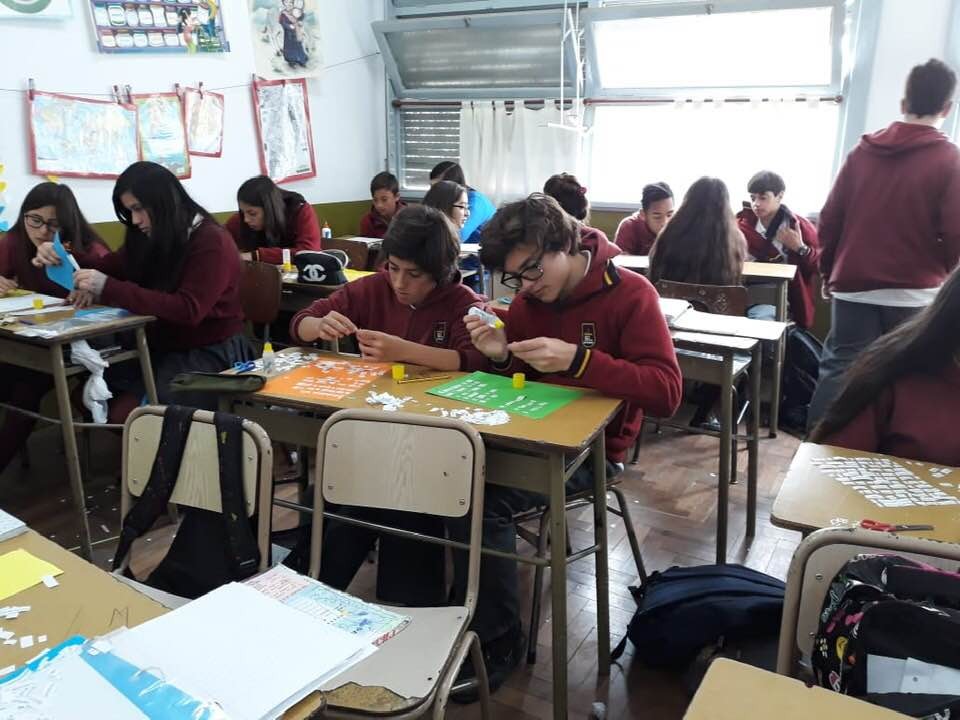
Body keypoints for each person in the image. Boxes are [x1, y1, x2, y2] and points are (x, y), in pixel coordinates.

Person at [453, 193, 683, 696]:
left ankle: (499, 640)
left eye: (533, 270)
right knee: (442, 473)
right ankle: (454, 611)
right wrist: (499, 356)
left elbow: (667, 393)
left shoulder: (631, 293)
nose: (526, 287)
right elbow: (523, 379)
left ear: (566, 243)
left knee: (478, 501)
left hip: (595, 453)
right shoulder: (528, 301)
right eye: (515, 278)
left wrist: (580, 361)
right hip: (528, 437)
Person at [289, 204, 487, 605]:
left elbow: (474, 361)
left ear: (441, 271)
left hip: (435, 441)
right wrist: (318, 326)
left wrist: (404, 351)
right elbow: (302, 321)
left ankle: (319, 588)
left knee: (389, 493)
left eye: (414, 274)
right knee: (354, 490)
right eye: (393, 268)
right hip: (375, 431)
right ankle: (313, 589)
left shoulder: (461, 302)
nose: (399, 283)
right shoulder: (372, 289)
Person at [34, 161, 252, 419]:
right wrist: (60, 255)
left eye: (138, 209)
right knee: (89, 393)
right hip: (161, 346)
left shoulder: (211, 240)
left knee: (135, 415)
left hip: (208, 352)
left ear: (164, 202)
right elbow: (108, 266)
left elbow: (188, 309)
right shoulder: (150, 235)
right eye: (129, 211)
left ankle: (160, 442)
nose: (135, 220)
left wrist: (106, 286)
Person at [809, 58, 960, 428]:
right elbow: (956, 232)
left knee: (839, 370)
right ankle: (890, 451)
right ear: (947, 108)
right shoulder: (949, 160)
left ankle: (815, 450)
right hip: (916, 292)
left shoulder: (862, 153)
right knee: (908, 375)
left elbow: (830, 219)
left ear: (903, 103)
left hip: (853, 285)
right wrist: (943, 273)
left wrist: (828, 272)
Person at [0, 182, 108, 475]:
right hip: (28, 340)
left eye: (53, 224)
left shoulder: (88, 249)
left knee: (24, 392)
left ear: (68, 225)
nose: (42, 231)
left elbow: (112, 286)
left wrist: (92, 287)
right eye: (34, 220)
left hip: (76, 346)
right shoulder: (14, 241)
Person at [810, 267, 960, 467]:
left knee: (839, 366)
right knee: (848, 368)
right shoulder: (897, 380)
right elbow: (834, 467)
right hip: (902, 289)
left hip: (859, 283)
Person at [736, 170, 821, 327]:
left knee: (762, 321)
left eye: (763, 198)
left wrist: (800, 248)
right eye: (753, 198)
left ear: (780, 196)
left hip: (781, 295)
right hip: (743, 290)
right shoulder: (741, 225)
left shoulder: (799, 226)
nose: (756, 204)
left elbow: (820, 265)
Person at [649, 177, 745, 287]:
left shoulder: (668, 233)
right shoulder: (735, 240)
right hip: (718, 298)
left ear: (688, 202)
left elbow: (654, 274)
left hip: (669, 297)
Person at [225, 175, 322, 264]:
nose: (246, 220)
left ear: (269, 209)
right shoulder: (239, 220)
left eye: (252, 214)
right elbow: (220, 242)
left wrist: (256, 255)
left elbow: (309, 253)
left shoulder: (300, 210)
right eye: (242, 212)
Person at [429, 161, 496, 243]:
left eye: (438, 187)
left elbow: (457, 237)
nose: (434, 192)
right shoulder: (448, 202)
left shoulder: (476, 202)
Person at [615, 182, 674, 255]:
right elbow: (621, 259)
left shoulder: (677, 225)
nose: (665, 222)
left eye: (669, 215)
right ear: (643, 215)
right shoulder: (629, 226)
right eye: (657, 217)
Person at [358, 171, 404, 239]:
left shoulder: (410, 218)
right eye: (375, 200)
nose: (379, 205)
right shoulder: (367, 221)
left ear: (397, 196)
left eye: (384, 199)